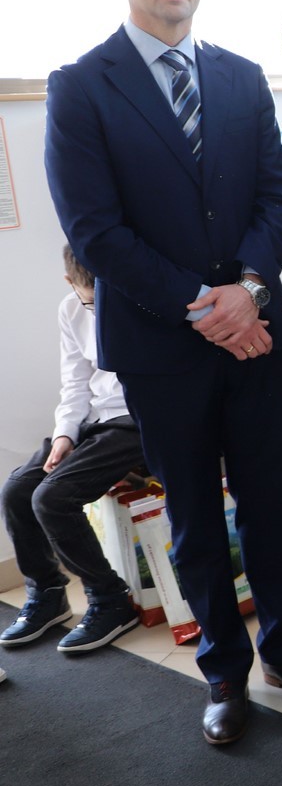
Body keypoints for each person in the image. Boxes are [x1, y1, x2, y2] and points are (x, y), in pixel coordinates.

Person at [44, 0, 282, 745]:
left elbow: (276, 197)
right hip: (160, 346)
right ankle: (224, 672)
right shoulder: (81, 86)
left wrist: (248, 288)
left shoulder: (242, 77)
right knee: (195, 519)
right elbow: (96, 232)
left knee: (270, 506)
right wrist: (206, 307)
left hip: (256, 334)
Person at [1, 247, 145, 654]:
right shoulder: (70, 309)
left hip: (138, 419)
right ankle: (48, 593)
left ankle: (110, 599)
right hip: (93, 421)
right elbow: (76, 383)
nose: (100, 309)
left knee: (52, 498)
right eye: (91, 302)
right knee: (16, 491)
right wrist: (65, 434)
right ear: (71, 283)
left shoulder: (141, 299)